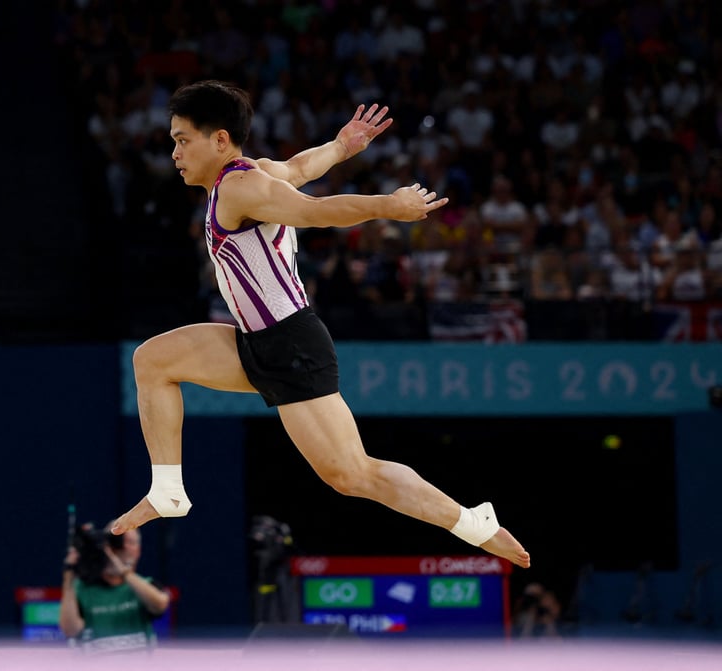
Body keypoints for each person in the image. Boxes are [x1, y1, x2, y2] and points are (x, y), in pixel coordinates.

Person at [111, 80, 530, 569]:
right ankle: (167, 492)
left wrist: (386, 207)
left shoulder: (242, 186)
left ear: (220, 140)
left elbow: (316, 211)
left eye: (183, 140)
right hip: (255, 341)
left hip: (291, 346)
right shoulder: (256, 174)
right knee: (152, 361)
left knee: (353, 476)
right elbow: (300, 168)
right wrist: (340, 146)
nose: (175, 152)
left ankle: (470, 522)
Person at [59, 522, 169, 654]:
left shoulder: (145, 585)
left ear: (138, 551)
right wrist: (69, 576)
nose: (125, 547)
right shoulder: (82, 589)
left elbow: (160, 604)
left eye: (131, 542)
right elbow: (70, 630)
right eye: (120, 541)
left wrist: (123, 571)